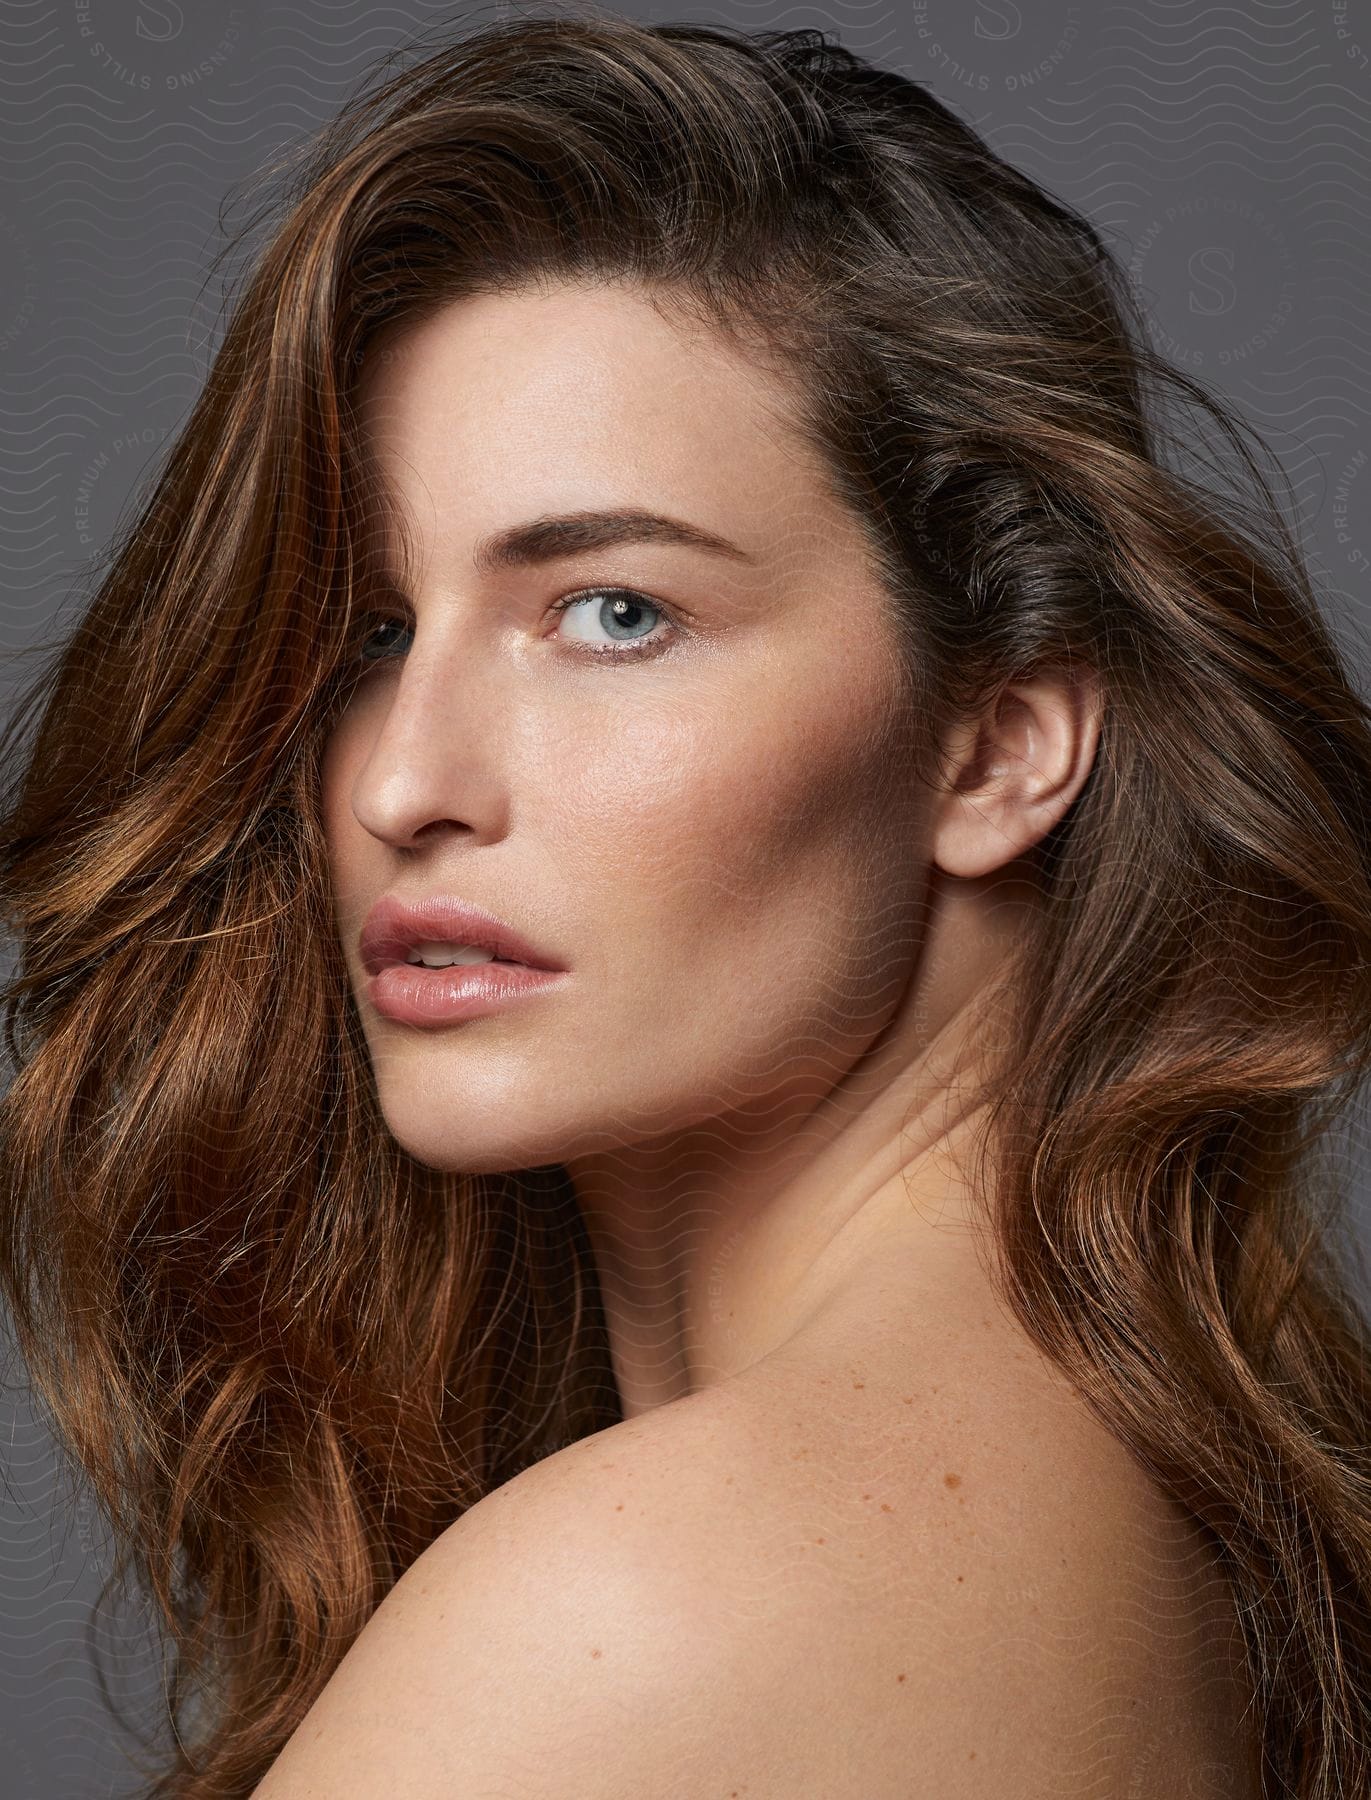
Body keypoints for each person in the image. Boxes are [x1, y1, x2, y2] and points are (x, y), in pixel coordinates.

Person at [2, 10, 1369, 1797]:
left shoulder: (649, 1605)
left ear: (998, 747)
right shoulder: (1134, 1511)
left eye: (614, 614)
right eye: (371, 630)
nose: (405, 785)